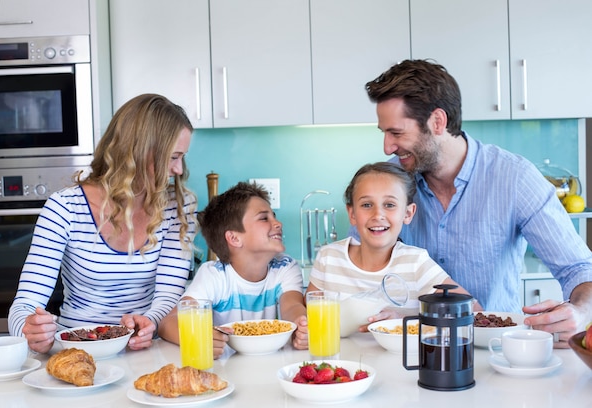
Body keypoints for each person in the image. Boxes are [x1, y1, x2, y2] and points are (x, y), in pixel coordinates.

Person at [362, 59, 592, 347]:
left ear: (437, 122)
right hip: (406, 350)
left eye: (396, 133)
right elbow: (355, 262)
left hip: (495, 350)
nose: (387, 147)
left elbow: (578, 268)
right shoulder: (389, 182)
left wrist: (581, 310)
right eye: (384, 133)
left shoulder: (514, 178)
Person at [8, 94, 197, 354]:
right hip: (76, 350)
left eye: (182, 157)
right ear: (140, 153)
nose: (179, 169)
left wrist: (147, 323)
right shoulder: (64, 207)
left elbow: (168, 296)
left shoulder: (177, 206)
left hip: (144, 351)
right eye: (173, 157)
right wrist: (28, 330)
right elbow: (25, 304)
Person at [307, 162, 480, 336]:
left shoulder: (415, 263)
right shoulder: (329, 258)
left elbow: (473, 312)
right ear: (352, 214)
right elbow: (308, 316)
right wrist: (302, 331)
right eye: (367, 205)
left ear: (408, 214)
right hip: (339, 361)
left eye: (389, 205)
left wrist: (403, 322)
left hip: (400, 362)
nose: (378, 215)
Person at [159, 182, 308, 358]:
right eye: (264, 218)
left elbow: (292, 305)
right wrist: (195, 337)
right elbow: (167, 322)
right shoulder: (214, 275)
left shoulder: (285, 267)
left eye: (273, 216)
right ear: (234, 238)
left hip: (271, 364)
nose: (278, 223)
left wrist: (301, 325)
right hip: (225, 368)